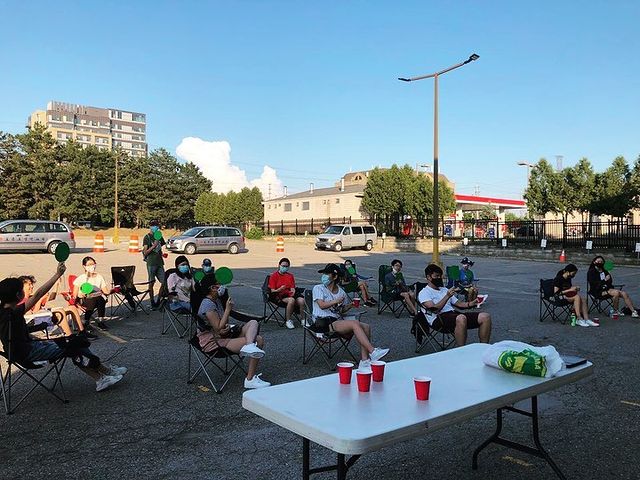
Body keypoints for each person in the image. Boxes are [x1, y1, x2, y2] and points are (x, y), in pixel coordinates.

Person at [0, 263, 126, 392]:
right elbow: (38, 294)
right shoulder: (14, 312)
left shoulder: (3, 312)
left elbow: (16, 336)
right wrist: (57, 274)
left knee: (73, 341)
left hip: (21, 351)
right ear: (17, 295)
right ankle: (100, 378)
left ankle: (105, 371)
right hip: (28, 353)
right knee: (75, 345)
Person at [197, 275, 270, 389]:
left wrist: (226, 327)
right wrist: (228, 309)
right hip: (213, 342)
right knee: (258, 340)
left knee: (253, 322)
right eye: (219, 284)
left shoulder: (216, 300)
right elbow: (217, 327)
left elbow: (222, 325)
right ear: (212, 288)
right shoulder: (207, 304)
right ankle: (250, 379)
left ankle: (249, 346)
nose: (222, 286)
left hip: (223, 335)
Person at [312, 263, 389, 370]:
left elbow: (341, 310)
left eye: (327, 274)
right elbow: (322, 305)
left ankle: (365, 360)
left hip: (336, 321)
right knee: (354, 323)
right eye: (324, 273)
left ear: (335, 277)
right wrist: (335, 301)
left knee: (366, 326)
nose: (324, 276)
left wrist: (350, 305)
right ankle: (373, 351)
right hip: (322, 322)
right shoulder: (318, 288)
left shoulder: (341, 292)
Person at [418, 264, 492, 346]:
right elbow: (435, 309)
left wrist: (472, 303)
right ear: (429, 277)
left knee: (485, 317)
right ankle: (460, 351)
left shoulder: (444, 289)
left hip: (453, 315)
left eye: (440, 276)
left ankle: (483, 347)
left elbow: (459, 304)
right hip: (438, 319)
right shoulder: (424, 293)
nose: (439, 278)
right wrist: (447, 296)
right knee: (461, 318)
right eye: (437, 276)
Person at [19, 275, 96, 339]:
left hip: (44, 314)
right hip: (38, 320)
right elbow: (33, 314)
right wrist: (40, 299)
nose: (32, 286)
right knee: (60, 312)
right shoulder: (22, 300)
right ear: (22, 286)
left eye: (32, 284)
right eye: (29, 284)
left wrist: (56, 285)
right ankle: (69, 336)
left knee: (72, 308)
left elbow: (52, 297)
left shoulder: (33, 296)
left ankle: (82, 332)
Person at [72, 256, 113, 331]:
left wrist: (113, 290)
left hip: (98, 298)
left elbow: (106, 291)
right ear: (84, 266)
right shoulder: (81, 278)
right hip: (83, 299)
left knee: (99, 298)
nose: (92, 266)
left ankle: (100, 321)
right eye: (89, 265)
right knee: (93, 299)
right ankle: (87, 321)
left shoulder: (99, 277)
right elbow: (74, 294)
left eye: (93, 264)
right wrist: (81, 295)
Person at [268, 257, 305, 329]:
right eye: (283, 266)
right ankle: (288, 320)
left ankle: (303, 319)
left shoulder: (290, 276)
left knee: (301, 300)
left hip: (289, 294)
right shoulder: (274, 276)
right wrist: (279, 289)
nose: (284, 267)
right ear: (279, 265)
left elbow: (292, 287)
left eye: (286, 266)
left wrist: (293, 291)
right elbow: (272, 291)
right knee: (291, 300)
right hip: (278, 295)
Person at [142, 220, 166, 310]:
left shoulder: (159, 235)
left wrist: (162, 253)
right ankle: (152, 302)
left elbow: (161, 247)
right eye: (155, 226)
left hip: (160, 262)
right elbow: (145, 252)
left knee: (164, 282)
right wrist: (153, 246)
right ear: (151, 227)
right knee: (151, 283)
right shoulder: (147, 237)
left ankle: (158, 300)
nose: (156, 228)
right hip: (151, 263)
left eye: (157, 226)